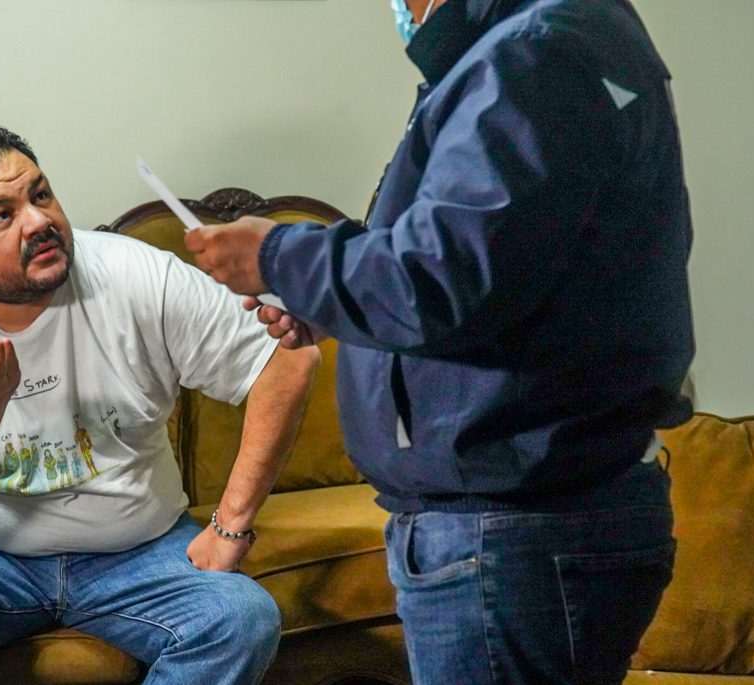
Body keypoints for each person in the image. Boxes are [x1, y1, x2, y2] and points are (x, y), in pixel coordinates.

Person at [185, 0, 694, 683]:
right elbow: (508, 278)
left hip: (511, 528)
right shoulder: (556, 40)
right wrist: (331, 305)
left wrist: (277, 255)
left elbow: (441, 276)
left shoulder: (530, 55)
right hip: (534, 516)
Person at [0, 123, 320, 685]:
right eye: (1, 215)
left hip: (140, 552)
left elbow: (288, 359)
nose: (38, 221)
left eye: (41, 194)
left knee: (240, 617)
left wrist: (232, 526)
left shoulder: (136, 275)